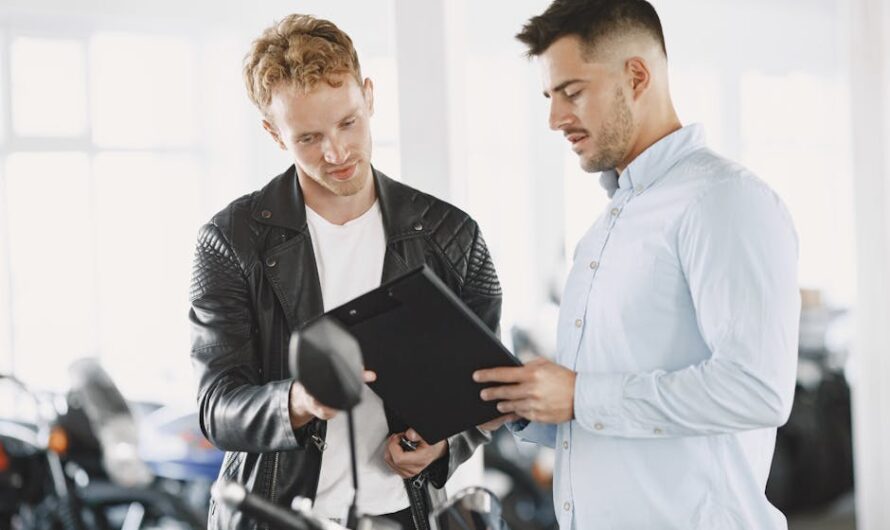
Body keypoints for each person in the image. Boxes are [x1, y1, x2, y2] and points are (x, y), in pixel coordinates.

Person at [474, 1, 800, 528]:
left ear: (637, 76)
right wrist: (527, 404)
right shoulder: (604, 228)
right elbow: (613, 417)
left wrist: (580, 395)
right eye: (549, 97)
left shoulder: (723, 201)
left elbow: (756, 389)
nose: (555, 119)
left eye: (572, 92)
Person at [189, 14, 502, 530]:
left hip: (401, 515)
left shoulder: (452, 235)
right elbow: (214, 407)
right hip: (275, 518)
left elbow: (486, 387)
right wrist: (299, 400)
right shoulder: (230, 241)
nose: (335, 153)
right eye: (308, 138)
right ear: (273, 132)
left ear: (370, 96)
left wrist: (445, 443)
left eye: (348, 123)